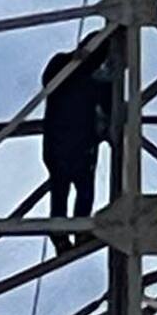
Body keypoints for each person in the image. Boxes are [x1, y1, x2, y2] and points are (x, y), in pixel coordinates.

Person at [41, 30, 114, 254]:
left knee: (76, 188)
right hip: (68, 142)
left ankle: (70, 233)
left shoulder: (90, 79)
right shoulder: (69, 67)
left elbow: (109, 109)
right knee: (67, 187)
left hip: (72, 143)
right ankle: (65, 233)